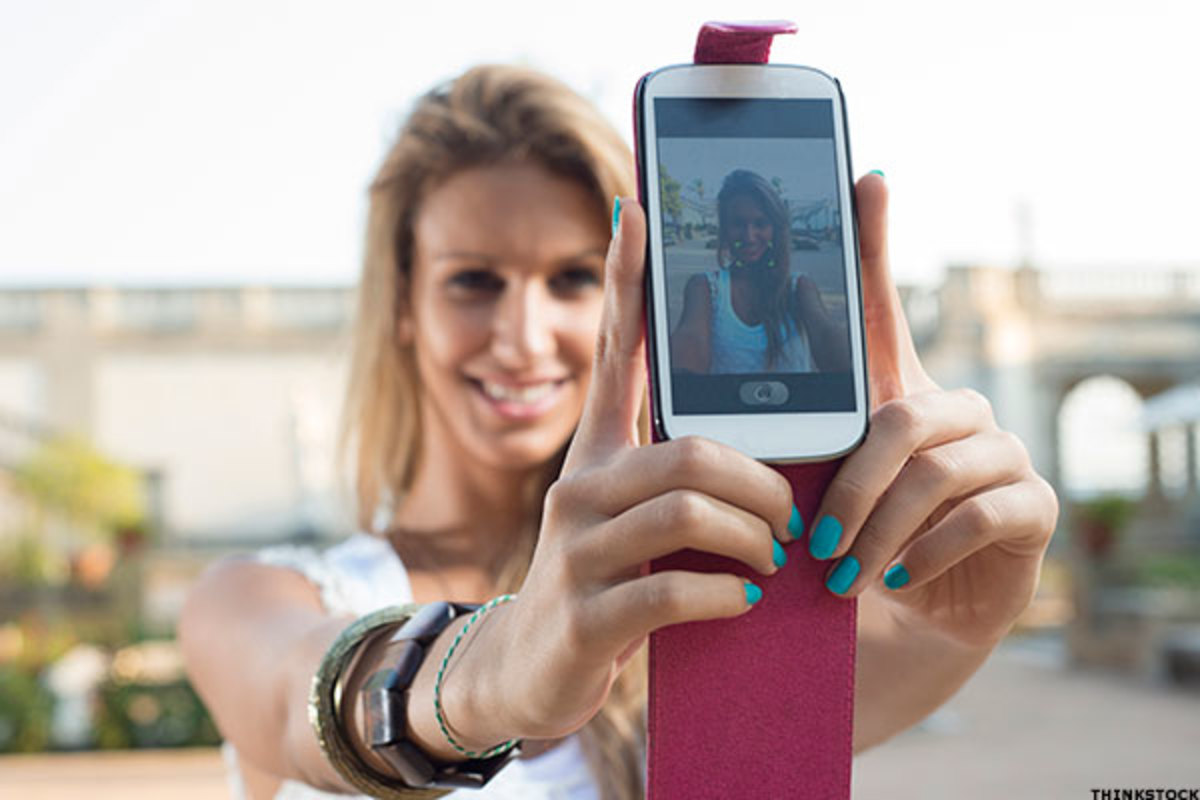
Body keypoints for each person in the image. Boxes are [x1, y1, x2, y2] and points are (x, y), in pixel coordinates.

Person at [179, 64, 1059, 800]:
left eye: (573, 278)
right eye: (474, 281)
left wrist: (962, 619)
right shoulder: (251, 598)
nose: (524, 338)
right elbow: (298, 693)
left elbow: (896, 666)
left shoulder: (684, 607)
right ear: (403, 307)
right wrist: (490, 672)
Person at [671, 168, 851, 375]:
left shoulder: (799, 288)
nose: (749, 236)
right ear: (725, 230)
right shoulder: (704, 288)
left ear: (775, 229)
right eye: (738, 224)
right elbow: (691, 338)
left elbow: (825, 332)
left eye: (760, 223)